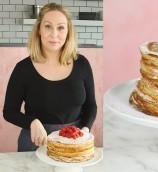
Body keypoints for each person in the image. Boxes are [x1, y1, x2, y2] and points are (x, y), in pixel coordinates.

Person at [2, 3, 97, 152]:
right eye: (48, 26)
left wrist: (84, 131)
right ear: (39, 29)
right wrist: (32, 122)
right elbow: (9, 111)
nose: (54, 34)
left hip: (74, 143)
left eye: (60, 28)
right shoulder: (23, 68)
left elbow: (91, 105)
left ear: (68, 32)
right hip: (36, 144)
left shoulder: (82, 64)